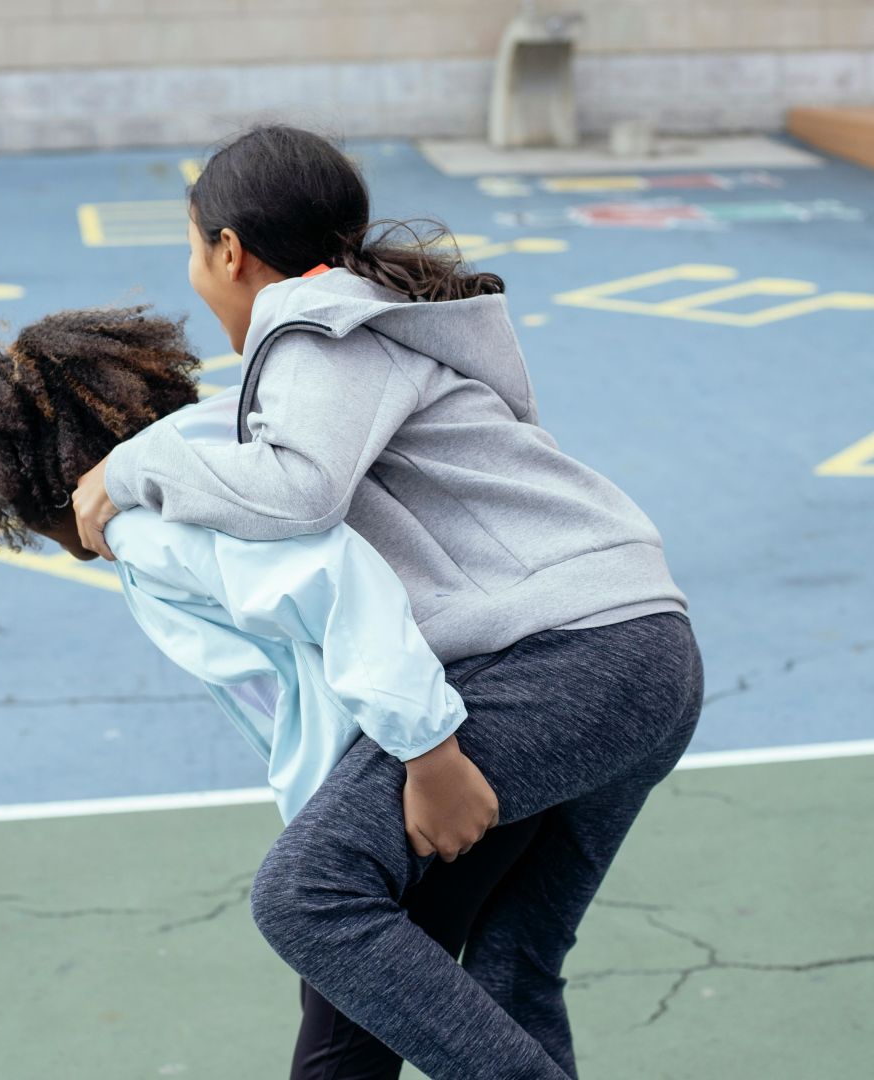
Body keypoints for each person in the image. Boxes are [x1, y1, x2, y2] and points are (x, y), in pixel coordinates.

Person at [69, 124, 705, 1079]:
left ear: (229, 251)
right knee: (511, 964)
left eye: (191, 247)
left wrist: (133, 463)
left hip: (569, 656)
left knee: (307, 896)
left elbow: (300, 491)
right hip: (644, 650)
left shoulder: (321, 331)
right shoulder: (371, 326)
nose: (196, 274)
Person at [0, 306, 548, 1075]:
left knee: (340, 1051)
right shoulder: (211, 452)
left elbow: (334, 584)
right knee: (457, 999)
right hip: (446, 739)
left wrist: (428, 754)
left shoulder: (148, 531)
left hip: (423, 771)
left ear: (26, 495)